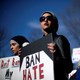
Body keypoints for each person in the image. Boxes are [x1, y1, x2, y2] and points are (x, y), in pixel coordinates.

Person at [39, 11, 73, 80]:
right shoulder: (38, 45)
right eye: (42, 18)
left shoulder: (59, 39)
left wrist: (56, 55)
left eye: (49, 18)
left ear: (54, 22)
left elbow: (69, 67)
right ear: (40, 24)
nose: (45, 20)